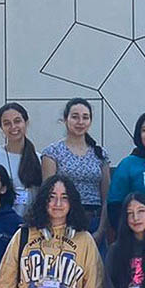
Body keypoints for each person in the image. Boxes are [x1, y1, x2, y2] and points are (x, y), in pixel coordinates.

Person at [39, 98, 110, 238]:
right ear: (65, 119)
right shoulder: (52, 152)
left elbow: (106, 196)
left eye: (85, 117)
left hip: (93, 221)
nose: (80, 122)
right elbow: (47, 194)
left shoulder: (101, 154)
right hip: (63, 220)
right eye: (75, 117)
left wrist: (101, 230)